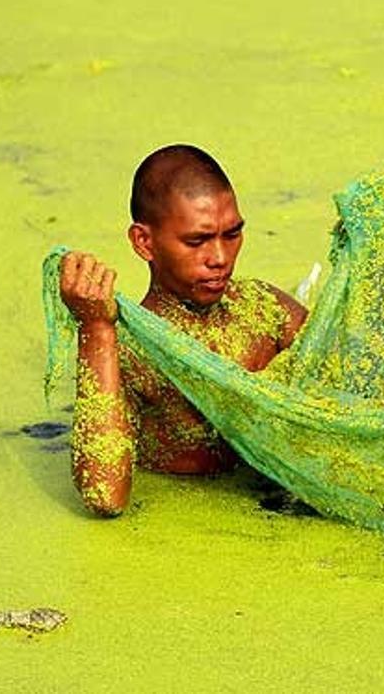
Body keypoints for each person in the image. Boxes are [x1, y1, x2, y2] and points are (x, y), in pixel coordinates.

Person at [58, 144, 307, 516]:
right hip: (190, 524)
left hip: (276, 509)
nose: (220, 258)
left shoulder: (265, 310)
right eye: (197, 241)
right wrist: (95, 330)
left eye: (232, 234)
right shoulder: (130, 353)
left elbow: (360, 376)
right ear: (144, 242)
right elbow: (105, 496)